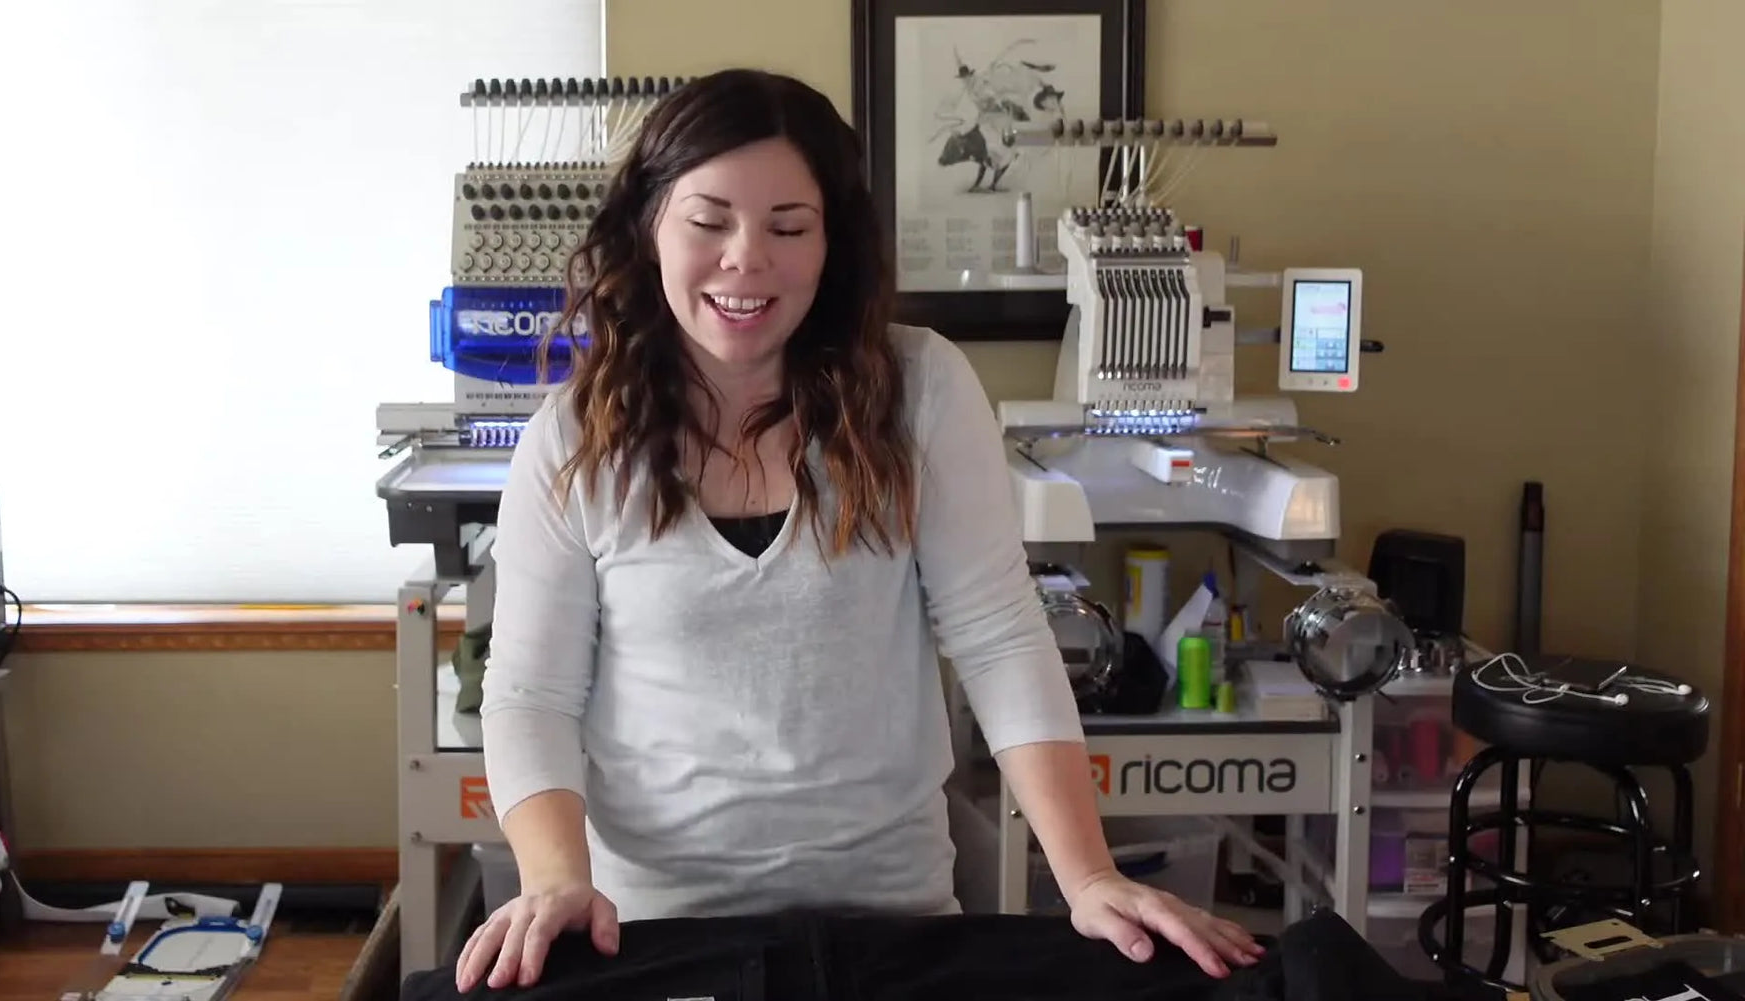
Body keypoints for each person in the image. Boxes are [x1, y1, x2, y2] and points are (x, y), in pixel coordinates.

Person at [456, 67, 1263, 994]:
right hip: (653, 928)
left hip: (890, 920)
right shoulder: (573, 436)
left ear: (834, 242)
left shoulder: (919, 388)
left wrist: (1086, 874)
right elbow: (531, 693)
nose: (745, 260)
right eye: (708, 221)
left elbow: (999, 636)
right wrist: (558, 879)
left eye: (788, 227)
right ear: (649, 227)